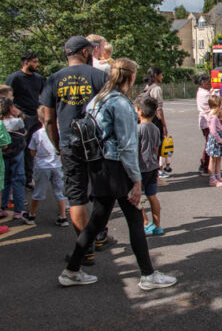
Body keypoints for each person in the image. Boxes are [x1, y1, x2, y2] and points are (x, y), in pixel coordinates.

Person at [58, 58, 177, 289]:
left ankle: (72, 269)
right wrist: (136, 179)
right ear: (131, 77)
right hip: (117, 167)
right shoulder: (121, 104)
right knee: (134, 218)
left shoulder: (97, 100)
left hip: (98, 165)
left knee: (97, 220)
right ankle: (147, 275)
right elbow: (127, 145)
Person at [41, 36, 110, 264]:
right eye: (91, 50)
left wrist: (58, 145)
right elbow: (111, 111)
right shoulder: (99, 76)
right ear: (84, 52)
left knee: (77, 197)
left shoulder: (54, 79)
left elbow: (49, 119)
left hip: (70, 143)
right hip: (97, 143)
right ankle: (100, 235)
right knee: (102, 192)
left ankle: (85, 249)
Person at [5, 51, 44, 190]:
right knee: (21, 147)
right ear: (26, 62)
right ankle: (17, 178)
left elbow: (43, 95)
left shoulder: (38, 78)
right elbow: (6, 99)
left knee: (33, 148)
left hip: (36, 116)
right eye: (34, 62)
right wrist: (19, 114)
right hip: (21, 116)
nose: (37, 64)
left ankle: (29, 178)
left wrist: (42, 112)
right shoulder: (15, 78)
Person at [24, 106, 68, 226]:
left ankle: (31, 215)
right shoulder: (57, 133)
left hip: (42, 166)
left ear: (39, 119)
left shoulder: (37, 134)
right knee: (60, 192)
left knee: (38, 192)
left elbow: (32, 152)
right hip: (56, 165)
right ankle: (63, 216)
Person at [134, 95, 164, 236]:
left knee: (138, 197)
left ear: (140, 111)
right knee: (152, 195)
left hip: (140, 168)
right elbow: (156, 149)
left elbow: (135, 150)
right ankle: (157, 226)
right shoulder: (155, 129)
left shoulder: (137, 129)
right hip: (152, 166)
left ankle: (145, 222)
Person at [0, 97, 29, 222]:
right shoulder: (17, 122)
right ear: (11, 108)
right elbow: (24, 120)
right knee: (18, 179)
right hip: (17, 153)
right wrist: (18, 112)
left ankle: (2, 206)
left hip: (3, 154)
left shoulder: (1, 123)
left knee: (5, 180)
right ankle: (19, 209)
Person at [143, 67, 170, 179]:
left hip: (146, 119)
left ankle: (150, 171)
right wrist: (164, 125)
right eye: (161, 74)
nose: (162, 77)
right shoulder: (157, 89)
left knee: (148, 146)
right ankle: (156, 172)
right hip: (155, 120)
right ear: (156, 75)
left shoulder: (147, 87)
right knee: (157, 146)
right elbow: (159, 109)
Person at [206, 95, 222, 187]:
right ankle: (212, 179)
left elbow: (219, 124)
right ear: (217, 105)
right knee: (213, 159)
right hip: (215, 140)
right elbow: (213, 131)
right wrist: (220, 140)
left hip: (217, 139)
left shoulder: (215, 115)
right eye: (221, 104)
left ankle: (218, 176)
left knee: (218, 158)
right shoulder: (213, 117)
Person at [195, 74, 212, 176]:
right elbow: (209, 107)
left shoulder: (202, 91)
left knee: (208, 142)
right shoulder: (204, 93)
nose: (210, 83)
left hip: (205, 120)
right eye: (208, 82)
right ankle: (204, 165)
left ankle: (205, 164)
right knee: (209, 143)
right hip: (207, 121)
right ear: (203, 83)